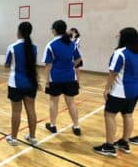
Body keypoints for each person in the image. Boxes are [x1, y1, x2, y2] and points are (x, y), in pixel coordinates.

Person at [93, 28, 138, 157]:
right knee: (128, 115)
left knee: (109, 115)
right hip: (134, 92)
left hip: (119, 91)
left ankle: (109, 146)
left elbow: (113, 73)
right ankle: (124, 142)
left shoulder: (120, 52)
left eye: (120, 34)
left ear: (124, 37)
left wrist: (106, 89)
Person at [42, 20, 82, 136]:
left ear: (54, 30)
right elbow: (79, 59)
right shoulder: (72, 44)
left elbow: (48, 65)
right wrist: (70, 66)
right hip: (70, 77)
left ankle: (53, 125)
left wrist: (46, 81)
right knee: (71, 102)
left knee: (54, 102)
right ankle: (76, 126)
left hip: (55, 78)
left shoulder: (51, 45)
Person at [5, 22, 39, 146]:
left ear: (19, 31)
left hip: (15, 84)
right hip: (31, 83)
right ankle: (33, 137)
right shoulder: (34, 47)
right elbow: (33, 64)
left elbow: (7, 65)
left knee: (16, 112)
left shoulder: (12, 47)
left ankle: (13, 138)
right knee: (31, 110)